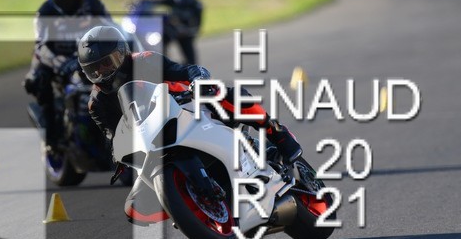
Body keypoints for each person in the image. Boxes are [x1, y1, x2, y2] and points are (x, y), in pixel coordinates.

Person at [77, 25, 303, 224]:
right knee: (133, 209)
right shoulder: (96, 103)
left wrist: (198, 81)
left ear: (121, 53)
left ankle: (276, 132)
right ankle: (188, 206)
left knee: (225, 93)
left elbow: (186, 70)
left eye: (106, 63)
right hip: (151, 142)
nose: (101, 73)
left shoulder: (145, 60)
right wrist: (118, 155)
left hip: (184, 108)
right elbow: (113, 135)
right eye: (93, 69)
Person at [23, 0, 111, 154]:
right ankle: (51, 139)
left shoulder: (94, 6)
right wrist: (62, 63)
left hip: (89, 57)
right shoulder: (45, 12)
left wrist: (128, 44)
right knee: (39, 80)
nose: (68, 2)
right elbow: (41, 46)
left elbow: (112, 29)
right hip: (54, 58)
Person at [142, 0, 203, 64]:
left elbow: (197, 27)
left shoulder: (196, 5)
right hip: (171, 30)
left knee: (192, 63)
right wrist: (143, 1)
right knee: (159, 45)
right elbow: (156, 1)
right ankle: (161, 64)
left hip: (186, 34)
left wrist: (186, 30)